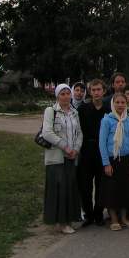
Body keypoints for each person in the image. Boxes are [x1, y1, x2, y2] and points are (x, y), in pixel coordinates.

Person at [42, 84, 83, 234]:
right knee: (58, 189)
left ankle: (69, 219)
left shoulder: (74, 112)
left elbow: (79, 133)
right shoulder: (51, 111)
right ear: (57, 96)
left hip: (72, 157)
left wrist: (76, 149)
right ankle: (60, 222)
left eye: (67, 93)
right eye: (62, 94)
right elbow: (47, 133)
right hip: (57, 157)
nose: (66, 96)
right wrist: (65, 147)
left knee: (70, 189)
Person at [99, 92, 129, 231]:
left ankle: (124, 218)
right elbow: (102, 143)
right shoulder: (107, 120)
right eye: (118, 102)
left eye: (123, 103)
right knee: (112, 190)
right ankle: (114, 219)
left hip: (127, 159)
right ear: (112, 104)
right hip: (112, 160)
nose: (120, 105)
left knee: (125, 189)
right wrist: (106, 163)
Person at [77, 79, 109, 227]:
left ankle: (98, 214)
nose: (96, 92)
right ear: (90, 92)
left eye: (99, 90)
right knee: (86, 185)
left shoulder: (108, 109)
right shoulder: (83, 109)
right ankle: (88, 215)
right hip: (86, 150)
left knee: (102, 185)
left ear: (104, 91)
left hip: (103, 151)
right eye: (93, 90)